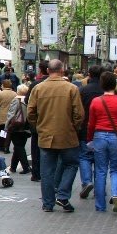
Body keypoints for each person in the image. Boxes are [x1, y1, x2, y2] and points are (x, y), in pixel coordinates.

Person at [27, 59, 85, 213]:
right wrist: (74, 127)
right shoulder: (71, 89)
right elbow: (79, 114)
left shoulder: (38, 89)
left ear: (47, 71)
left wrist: (38, 127)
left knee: (47, 171)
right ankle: (63, 194)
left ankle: (48, 203)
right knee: (71, 164)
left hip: (46, 135)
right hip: (67, 135)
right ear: (62, 70)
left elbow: (30, 112)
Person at [86, 71, 117, 212]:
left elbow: (91, 123)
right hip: (116, 136)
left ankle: (100, 205)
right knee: (115, 169)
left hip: (99, 136)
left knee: (100, 171)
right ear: (115, 84)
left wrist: (90, 139)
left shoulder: (96, 101)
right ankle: (115, 194)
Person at [76, 65, 104, 199]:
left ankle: (86, 182)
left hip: (85, 129)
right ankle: (99, 188)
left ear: (89, 75)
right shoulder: (106, 91)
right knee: (100, 159)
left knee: (84, 157)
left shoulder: (82, 90)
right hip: (103, 130)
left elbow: (77, 110)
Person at [6, 85, 32, 174]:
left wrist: (7, 126)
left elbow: (11, 114)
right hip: (25, 127)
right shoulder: (29, 100)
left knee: (19, 147)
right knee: (19, 146)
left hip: (16, 127)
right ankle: (13, 167)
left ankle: (26, 167)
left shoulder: (16, 100)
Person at [0, 79, 17, 154]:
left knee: (2, 131)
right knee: (10, 132)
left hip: (2, 115)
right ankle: (7, 146)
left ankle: (1, 145)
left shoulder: (1, 94)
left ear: (3, 85)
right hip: (12, 116)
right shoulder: (14, 94)